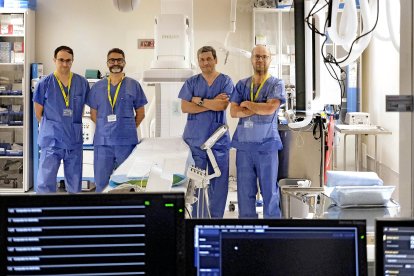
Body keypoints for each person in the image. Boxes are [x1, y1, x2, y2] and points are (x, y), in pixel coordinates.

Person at [230, 44, 286, 218]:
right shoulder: (241, 85)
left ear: (270, 59)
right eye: (257, 56)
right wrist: (258, 107)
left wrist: (247, 104)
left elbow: (270, 108)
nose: (260, 60)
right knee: (245, 193)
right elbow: (234, 112)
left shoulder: (276, 83)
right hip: (245, 147)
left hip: (267, 146)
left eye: (264, 56)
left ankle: (273, 232)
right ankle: (247, 231)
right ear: (252, 59)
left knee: (270, 192)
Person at [178, 46, 234, 218]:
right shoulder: (191, 82)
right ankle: (198, 219)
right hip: (195, 140)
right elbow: (185, 107)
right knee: (197, 183)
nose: (205, 63)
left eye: (209, 59)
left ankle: (216, 219)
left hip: (218, 141)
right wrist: (211, 103)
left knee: (220, 183)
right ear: (198, 61)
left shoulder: (225, 81)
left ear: (215, 60)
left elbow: (222, 105)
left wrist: (199, 100)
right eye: (202, 59)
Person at [87, 48, 147, 192]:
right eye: (112, 60)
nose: (116, 63)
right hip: (103, 144)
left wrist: (127, 127)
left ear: (124, 62)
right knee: (101, 182)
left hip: (126, 143)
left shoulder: (134, 85)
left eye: (119, 60)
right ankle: (103, 213)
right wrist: (105, 128)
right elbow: (93, 114)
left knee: (126, 184)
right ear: (107, 63)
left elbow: (141, 113)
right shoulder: (98, 87)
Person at [34, 45, 90, 193]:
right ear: (54, 60)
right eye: (61, 60)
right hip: (52, 141)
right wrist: (53, 127)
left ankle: (74, 213)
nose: (65, 64)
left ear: (72, 61)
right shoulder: (44, 84)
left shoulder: (82, 83)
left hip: (74, 140)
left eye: (68, 60)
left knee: (75, 182)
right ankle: (45, 212)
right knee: (45, 182)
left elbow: (82, 109)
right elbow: (38, 114)